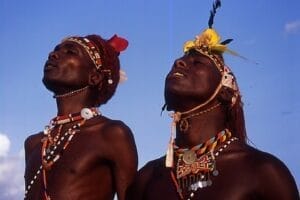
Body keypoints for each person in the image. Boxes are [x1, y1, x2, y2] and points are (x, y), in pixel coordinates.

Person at [127, 1, 299, 200]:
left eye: (198, 62)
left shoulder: (264, 172)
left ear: (225, 92)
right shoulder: (147, 178)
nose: (178, 62)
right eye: (180, 59)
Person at [24, 34, 138, 200]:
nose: (53, 54)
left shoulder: (112, 134)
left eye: (71, 52)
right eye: (56, 50)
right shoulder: (34, 143)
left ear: (95, 77)